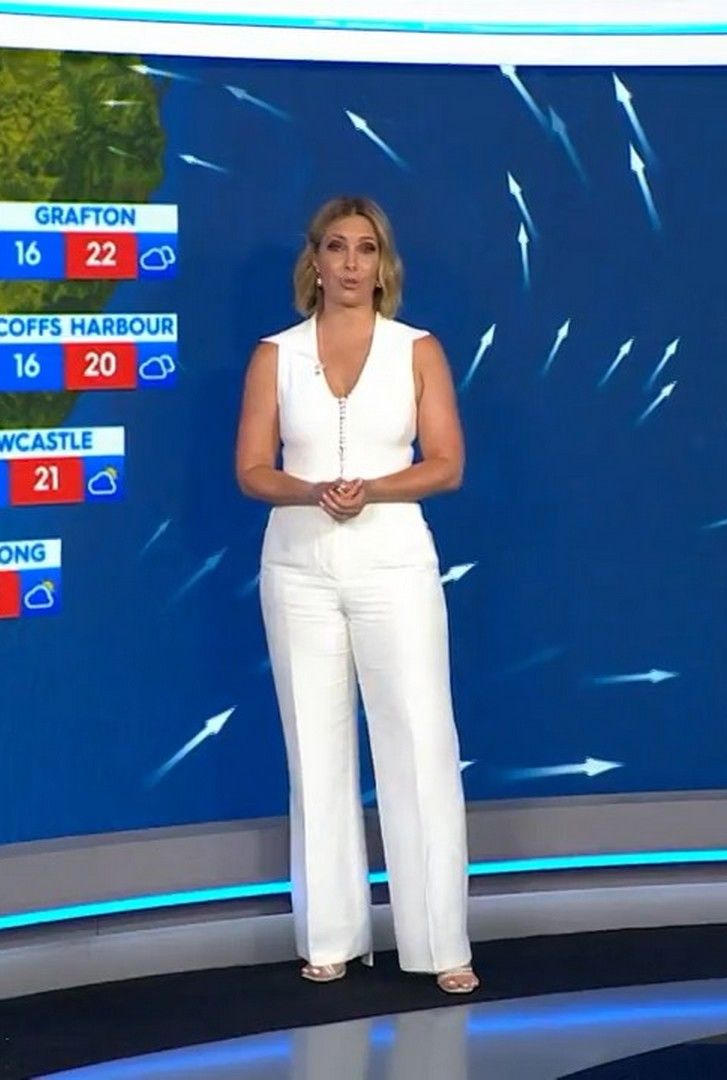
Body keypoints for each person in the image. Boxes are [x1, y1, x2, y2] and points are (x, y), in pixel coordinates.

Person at [233, 195, 479, 995]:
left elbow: (446, 463)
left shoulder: (418, 350)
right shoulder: (275, 355)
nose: (349, 262)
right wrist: (312, 492)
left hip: (394, 564)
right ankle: (330, 935)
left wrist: (370, 488)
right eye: (335, 247)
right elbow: (252, 470)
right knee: (315, 751)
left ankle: (440, 943)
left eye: (365, 248)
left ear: (383, 264)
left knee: (419, 746)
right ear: (314, 260)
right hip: (297, 569)